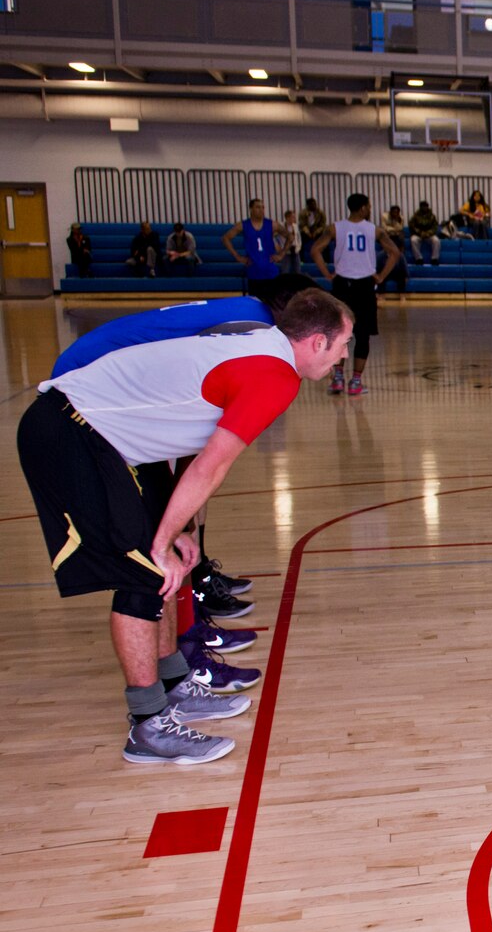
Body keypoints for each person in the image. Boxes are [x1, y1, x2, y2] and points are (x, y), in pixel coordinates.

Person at [17, 287, 352, 765]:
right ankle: (147, 726)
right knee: (144, 572)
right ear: (317, 342)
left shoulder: (263, 347)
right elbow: (210, 467)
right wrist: (161, 539)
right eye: (343, 345)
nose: (344, 357)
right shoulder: (275, 374)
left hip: (116, 441)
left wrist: (183, 529)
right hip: (71, 432)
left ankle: (174, 685)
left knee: (169, 564)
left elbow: (190, 433)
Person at [312, 192, 399, 396]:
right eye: (368, 206)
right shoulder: (374, 230)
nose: (370, 209)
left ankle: (338, 379)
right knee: (363, 335)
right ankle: (356, 382)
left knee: (340, 333)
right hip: (365, 286)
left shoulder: (335, 228)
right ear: (362, 208)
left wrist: (328, 274)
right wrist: (381, 276)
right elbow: (395, 252)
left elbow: (316, 249)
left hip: (342, 285)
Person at [222, 198, 282, 302]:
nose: (261, 210)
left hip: (270, 272)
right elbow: (225, 238)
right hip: (254, 272)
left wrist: (281, 254)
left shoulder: (272, 224)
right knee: (255, 303)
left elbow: (289, 236)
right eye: (258, 207)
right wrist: (238, 257)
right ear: (251, 209)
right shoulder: (244, 225)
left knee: (272, 303)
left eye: (263, 207)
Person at [377, 205, 410, 297]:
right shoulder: (380, 255)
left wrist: (406, 275)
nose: (395, 214)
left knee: (402, 278)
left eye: (397, 212)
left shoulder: (400, 256)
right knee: (381, 278)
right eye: (394, 212)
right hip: (387, 235)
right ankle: (381, 295)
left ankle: (402, 296)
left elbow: (400, 228)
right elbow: (385, 228)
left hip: (396, 235)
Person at [408, 201, 442, 265]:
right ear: (420, 207)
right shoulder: (415, 216)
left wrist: (428, 233)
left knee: (436, 240)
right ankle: (418, 259)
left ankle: (434, 259)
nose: (424, 208)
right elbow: (412, 225)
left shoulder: (432, 216)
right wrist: (420, 232)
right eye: (423, 206)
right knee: (413, 240)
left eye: (425, 206)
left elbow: (435, 226)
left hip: (429, 235)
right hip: (418, 234)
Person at [276, 209, 300, 275]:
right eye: (293, 217)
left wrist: (298, 247)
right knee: (285, 270)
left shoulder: (295, 226)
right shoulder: (281, 226)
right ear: (288, 218)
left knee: (297, 269)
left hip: (295, 250)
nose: (294, 218)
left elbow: (298, 238)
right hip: (285, 250)